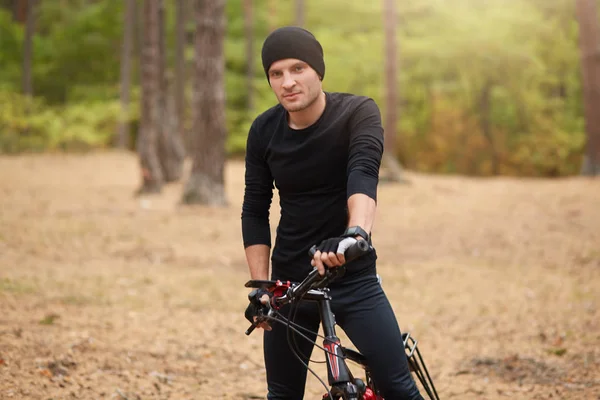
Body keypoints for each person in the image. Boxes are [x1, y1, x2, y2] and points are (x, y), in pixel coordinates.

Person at [241, 26, 423, 400]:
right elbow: (255, 209)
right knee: (282, 394)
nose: (287, 82)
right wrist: (262, 288)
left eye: (298, 68)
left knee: (398, 388)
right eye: (276, 73)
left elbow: (363, 175)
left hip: (352, 278)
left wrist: (355, 235)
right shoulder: (263, 130)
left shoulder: (358, 112)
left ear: (318, 71)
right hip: (291, 284)